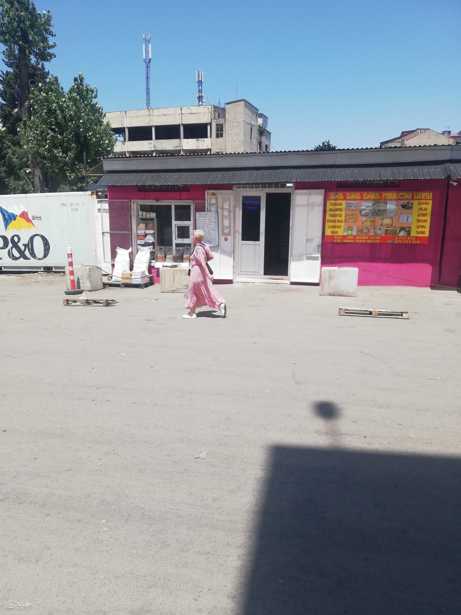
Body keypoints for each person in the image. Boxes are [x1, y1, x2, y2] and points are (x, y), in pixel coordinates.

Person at [183, 230, 227, 319]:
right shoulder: (204, 246)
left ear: (195, 238)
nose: (191, 238)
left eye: (193, 236)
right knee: (207, 289)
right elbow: (210, 256)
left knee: (192, 291)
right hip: (201, 272)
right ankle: (220, 304)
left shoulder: (198, 248)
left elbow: (203, 263)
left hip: (196, 272)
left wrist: (208, 274)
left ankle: (191, 313)